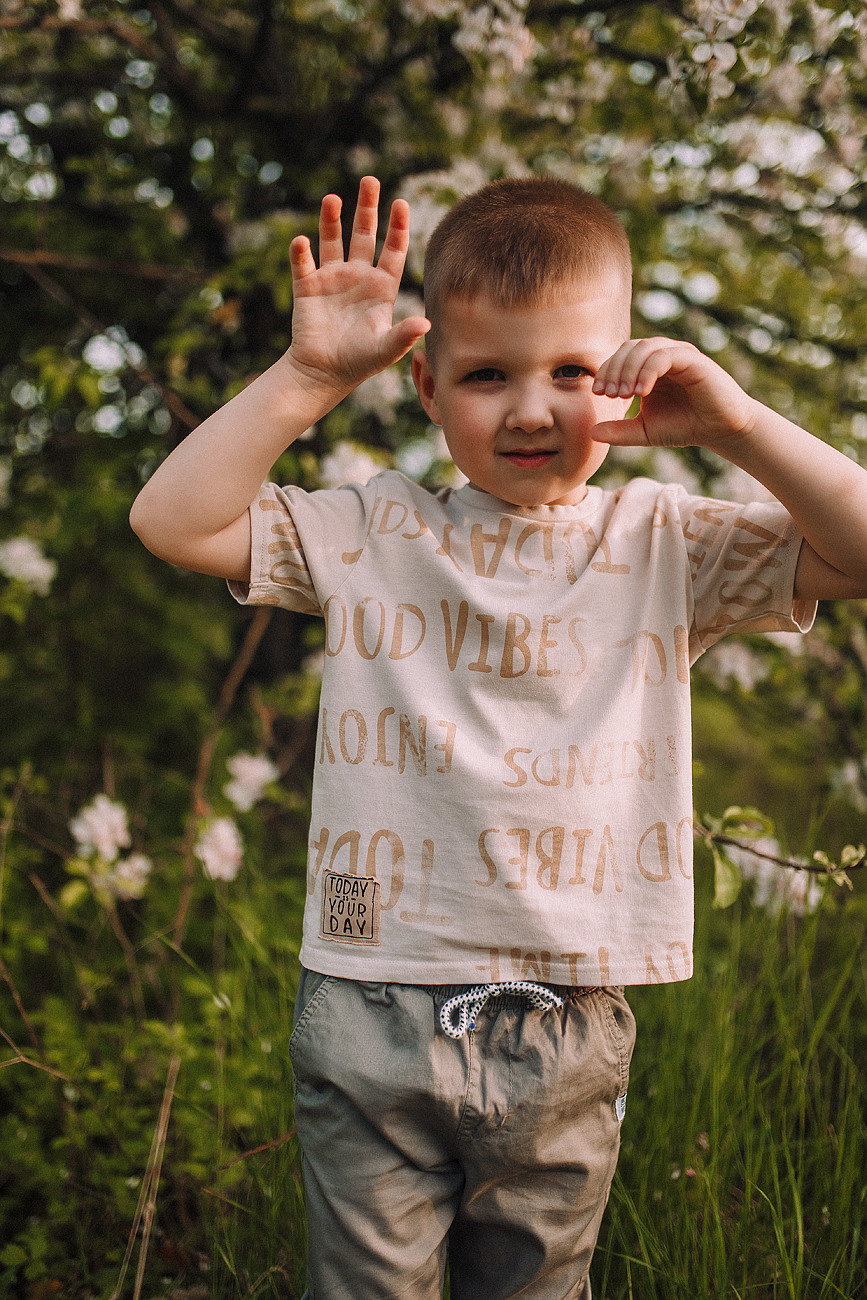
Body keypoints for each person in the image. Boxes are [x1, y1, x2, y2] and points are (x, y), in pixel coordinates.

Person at [129, 174, 867, 1299]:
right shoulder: (378, 529)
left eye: (574, 371)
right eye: (487, 375)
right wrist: (308, 377)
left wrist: (740, 426)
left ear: (631, 372)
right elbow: (172, 520)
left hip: (567, 1013)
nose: (531, 408)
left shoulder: (665, 541)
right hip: (372, 995)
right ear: (425, 384)